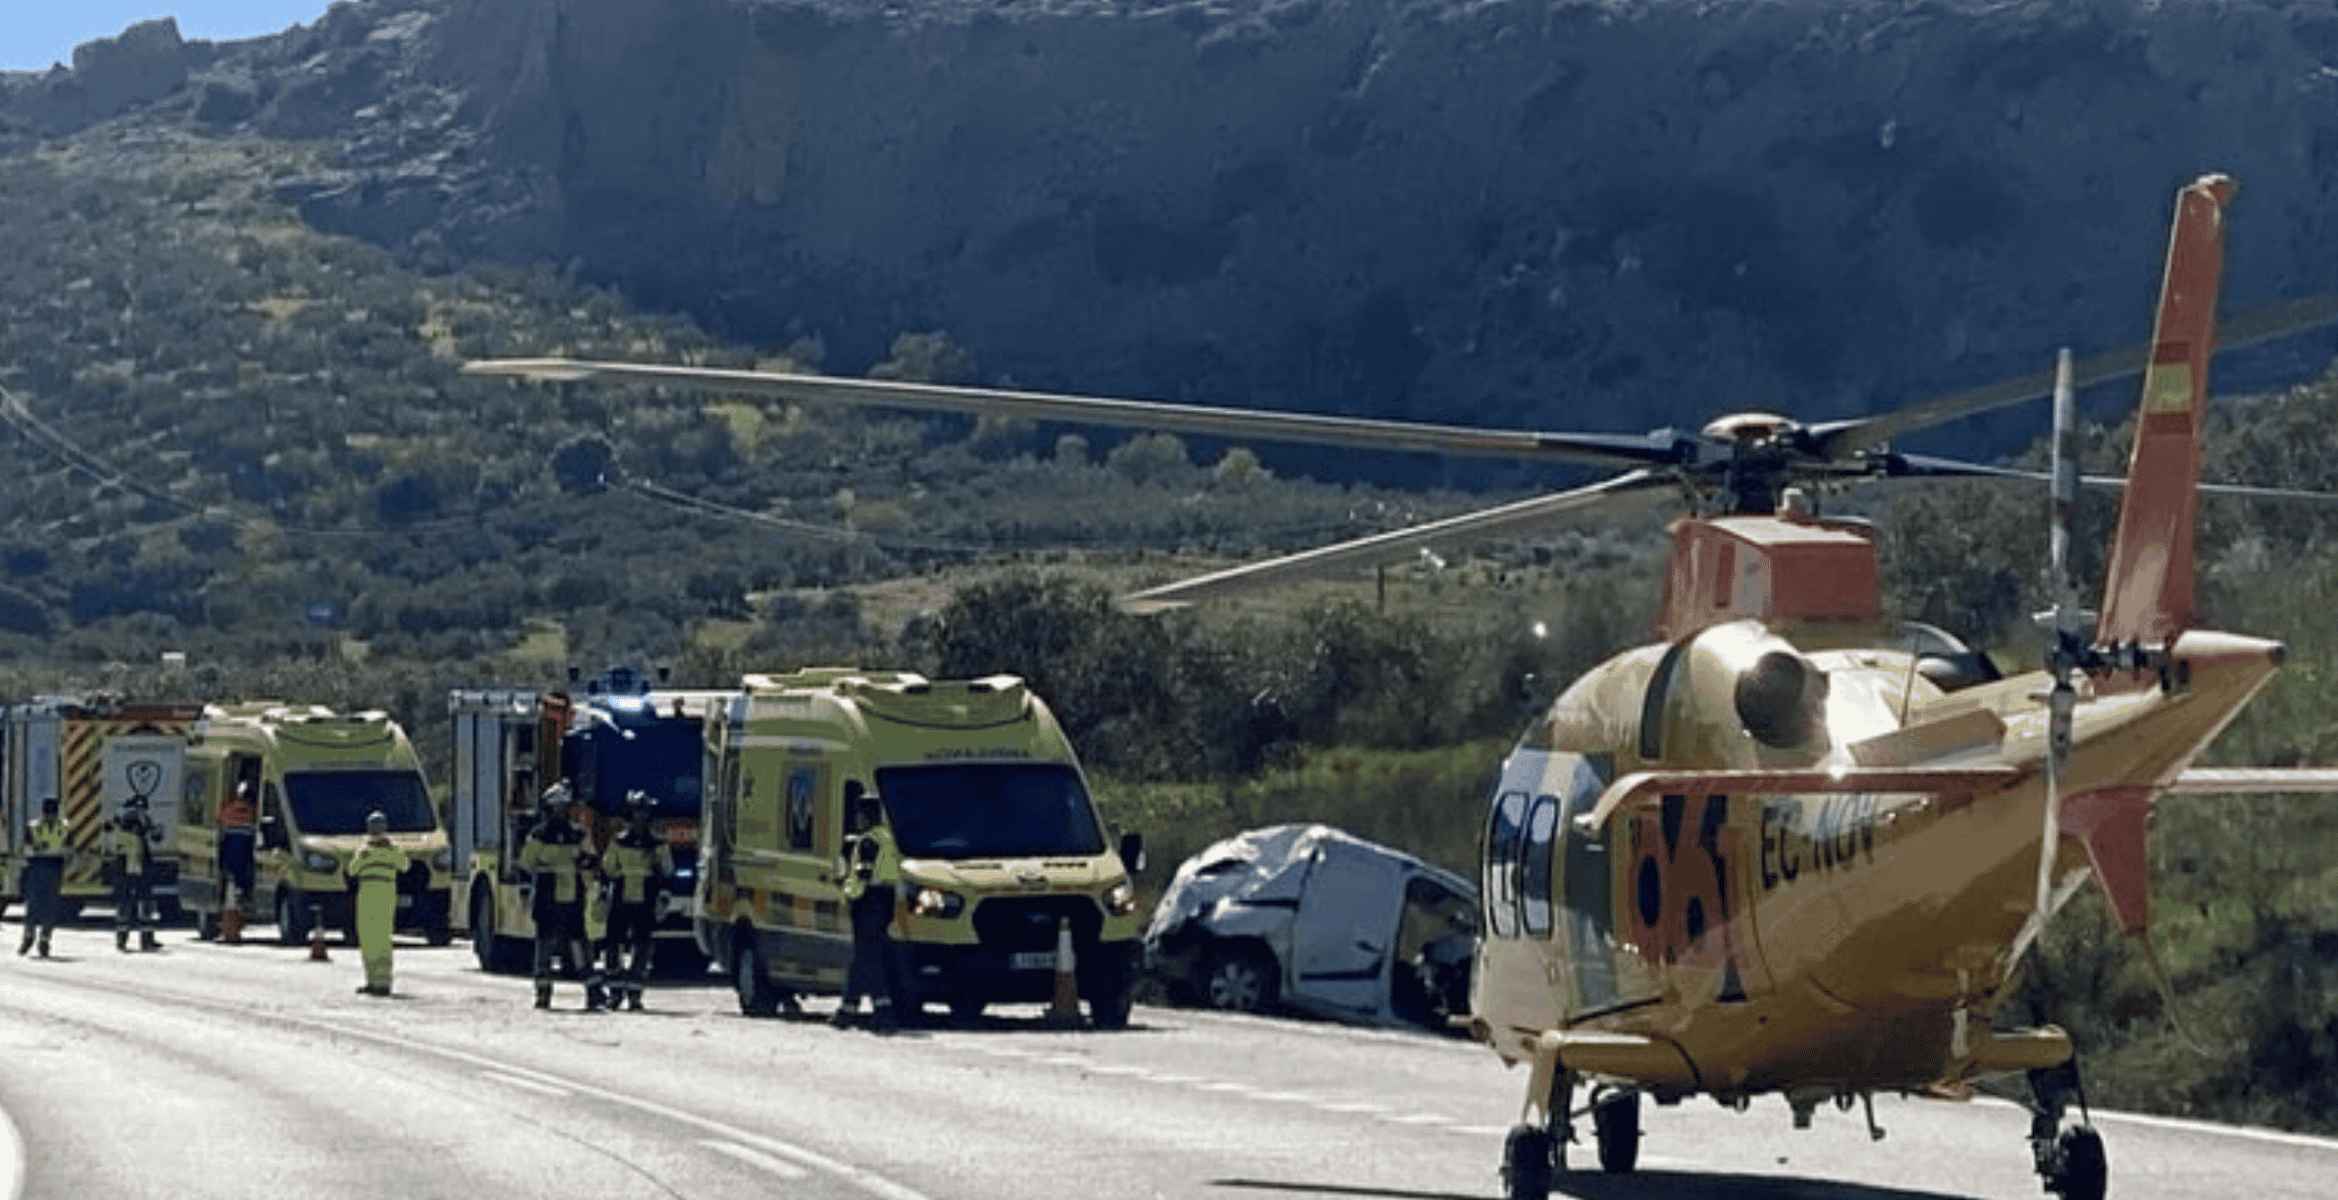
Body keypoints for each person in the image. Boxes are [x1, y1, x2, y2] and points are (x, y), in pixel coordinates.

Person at [518, 783, 605, 1011]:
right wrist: (525, 891)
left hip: (573, 894)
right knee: (545, 944)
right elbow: (526, 864)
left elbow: (592, 859)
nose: (560, 811)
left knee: (579, 943)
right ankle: (543, 992)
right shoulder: (539, 834)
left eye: (563, 807)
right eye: (556, 807)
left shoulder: (578, 833)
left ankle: (593, 991)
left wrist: (585, 862)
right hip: (547, 894)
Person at [832, 783, 906, 1032]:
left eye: (859, 814)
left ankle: (883, 1012)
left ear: (865, 816)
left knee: (869, 959)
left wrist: (847, 890)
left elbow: (863, 875)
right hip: (885, 901)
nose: (857, 819)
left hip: (868, 903)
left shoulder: (868, 842)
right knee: (863, 958)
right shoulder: (888, 838)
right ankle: (848, 1009)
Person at [598, 792, 672, 1012]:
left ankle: (634, 994)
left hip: (645, 899)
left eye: (644, 813)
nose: (641, 818)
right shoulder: (619, 841)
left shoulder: (657, 843)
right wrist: (603, 894)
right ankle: (615, 992)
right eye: (637, 813)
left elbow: (667, 871)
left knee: (642, 947)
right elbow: (608, 869)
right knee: (614, 946)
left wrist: (663, 897)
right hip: (622, 898)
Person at [344, 810, 409, 997]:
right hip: (374, 895)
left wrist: (371, 856)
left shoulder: (376, 850)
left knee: (378, 938)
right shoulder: (370, 850)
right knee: (371, 938)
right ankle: (374, 981)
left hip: (377, 895)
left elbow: (352, 870)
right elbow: (352, 870)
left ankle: (381, 982)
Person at [105, 797, 164, 953]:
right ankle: (142, 940)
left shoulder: (121, 818)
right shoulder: (134, 818)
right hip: (133, 865)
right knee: (139, 903)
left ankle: (128, 939)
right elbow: (154, 837)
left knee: (130, 903)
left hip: (129, 865)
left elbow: (154, 837)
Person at [18, 798, 68, 958]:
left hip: (54, 870)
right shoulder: (33, 827)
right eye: (48, 814)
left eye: (53, 814)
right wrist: (37, 849)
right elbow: (25, 849)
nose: (50, 817)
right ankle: (28, 937)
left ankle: (45, 940)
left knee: (51, 907)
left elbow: (70, 848)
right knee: (33, 906)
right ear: (43, 813)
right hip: (36, 869)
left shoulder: (64, 827)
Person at [216, 780, 258, 922]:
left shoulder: (228, 809)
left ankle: (229, 909)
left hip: (229, 851)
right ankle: (240, 907)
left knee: (229, 880)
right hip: (245, 852)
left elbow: (220, 822)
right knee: (242, 882)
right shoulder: (252, 811)